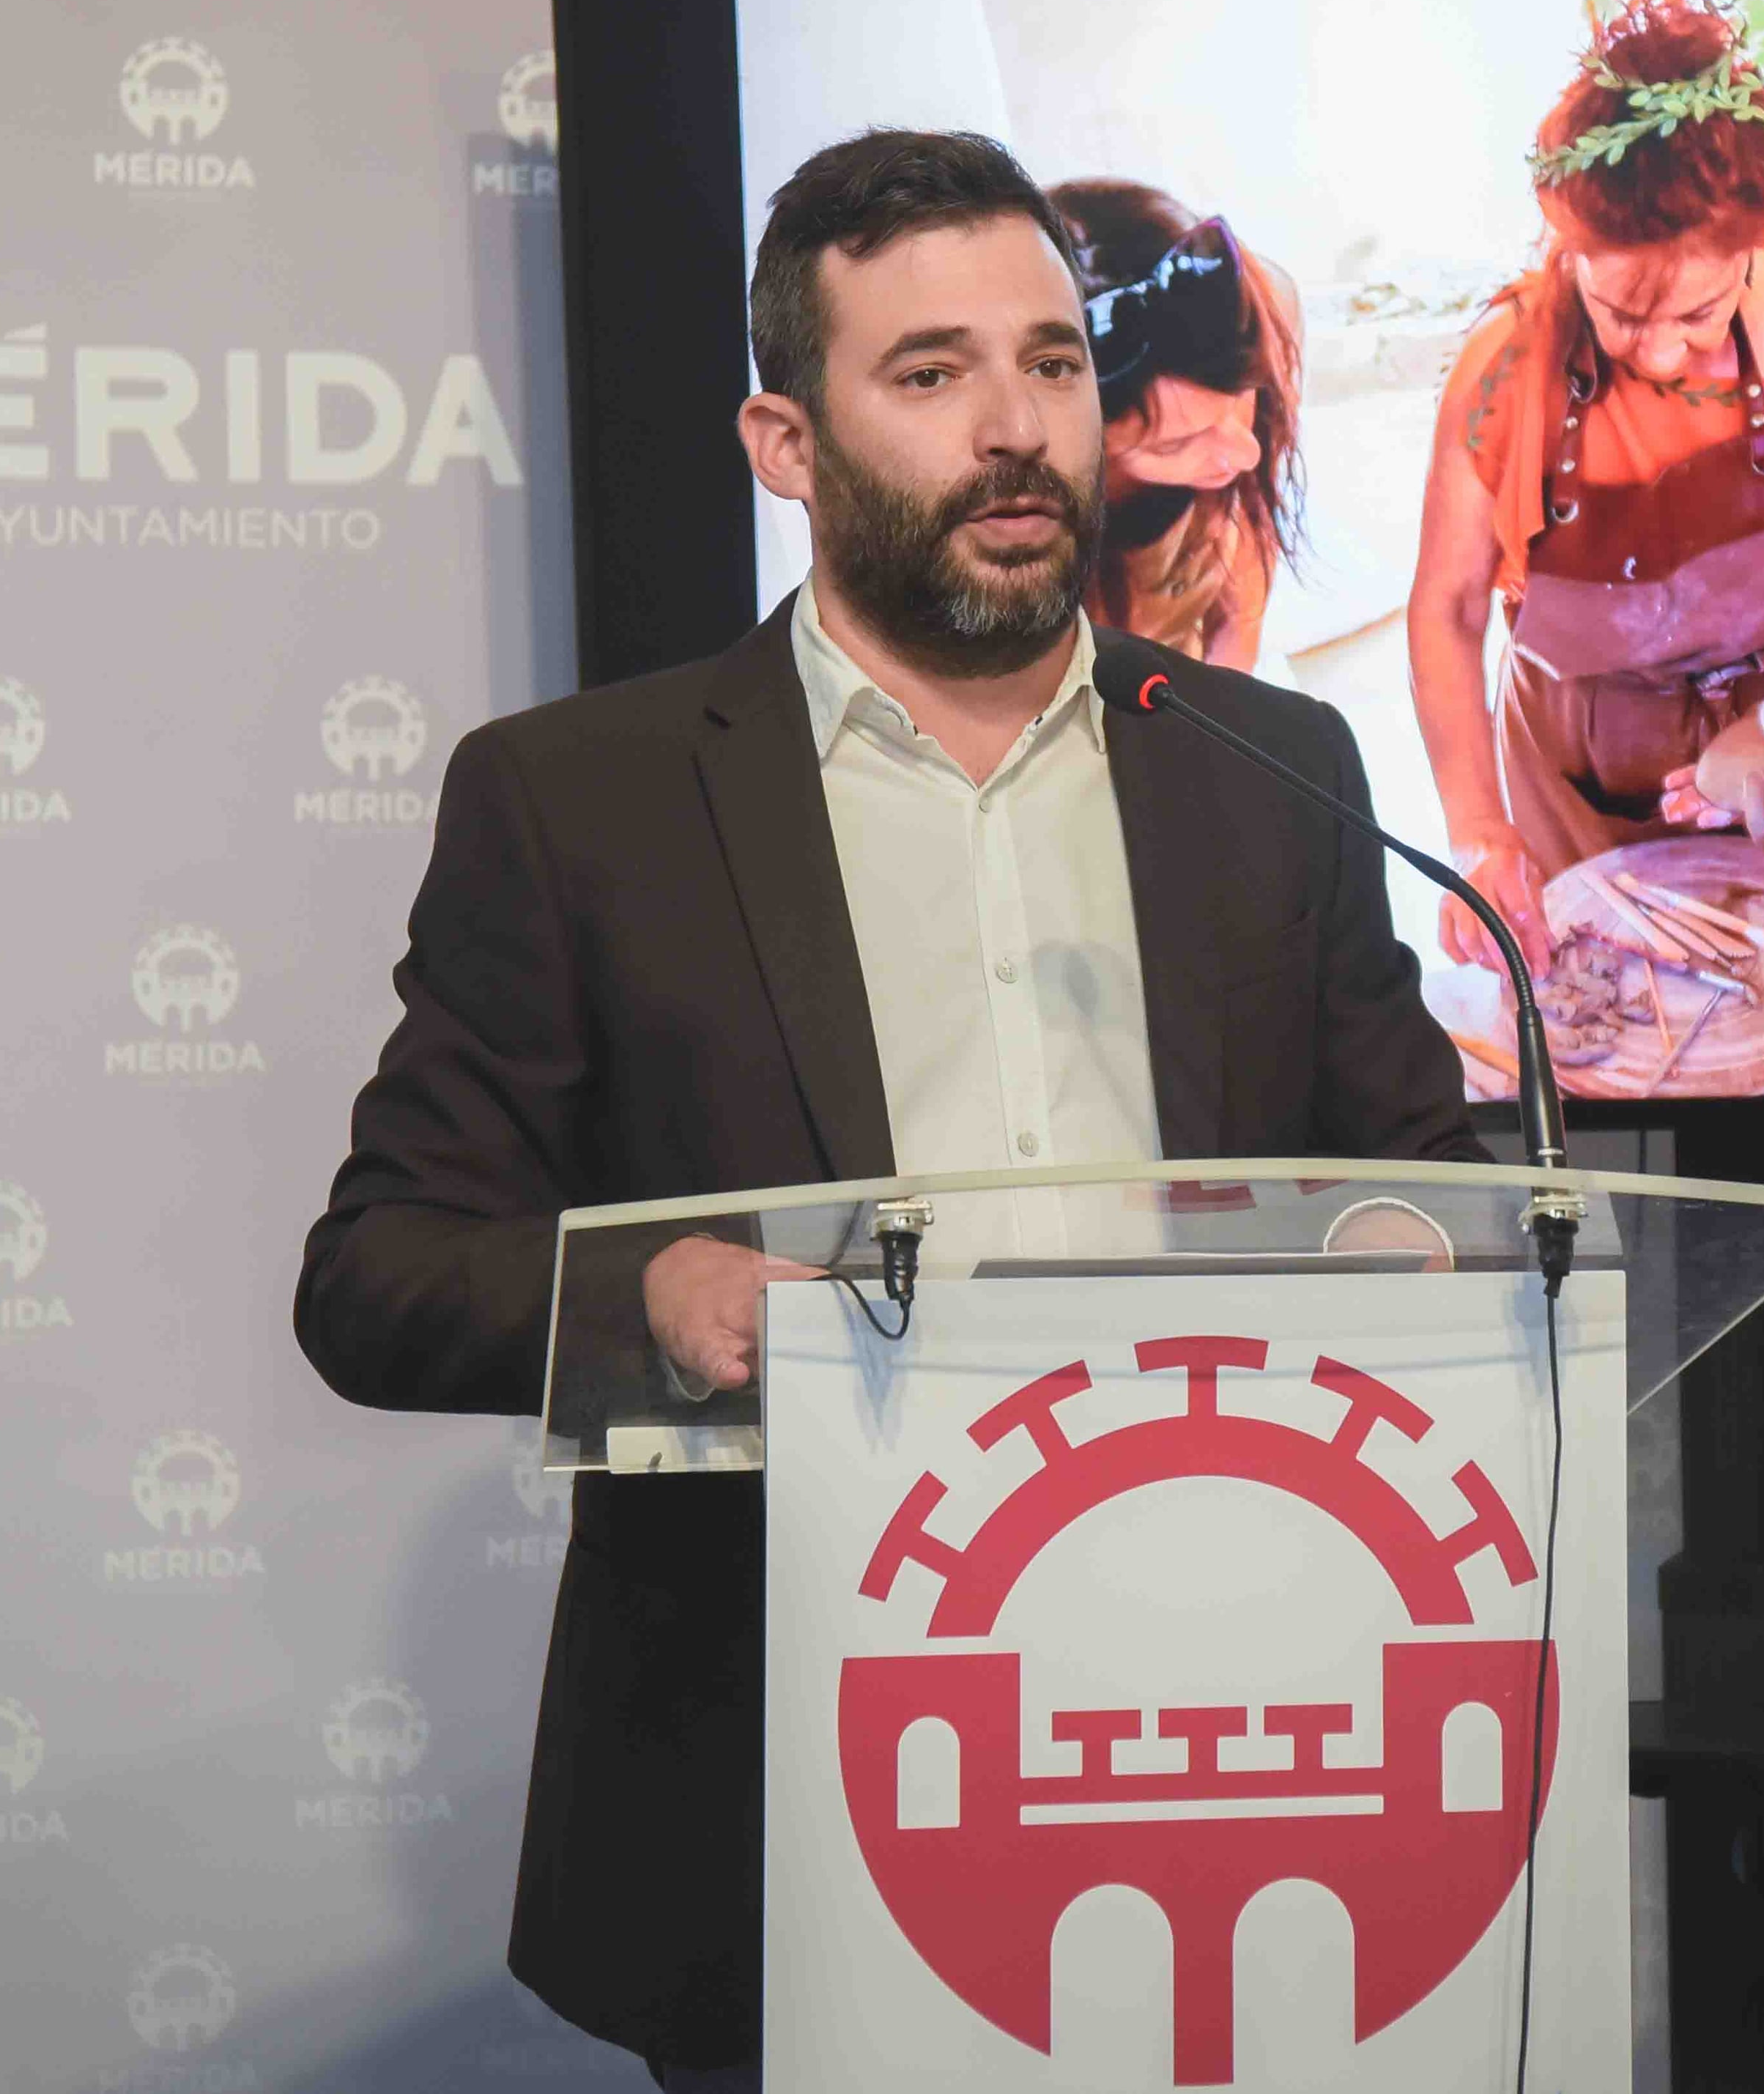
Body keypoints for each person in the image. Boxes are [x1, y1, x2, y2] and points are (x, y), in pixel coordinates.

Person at [292, 129, 1483, 2088]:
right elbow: (381, 1272)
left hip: (1242, 1767)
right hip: (787, 1779)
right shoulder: (579, 799)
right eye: (930, 375)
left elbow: (1418, 1186)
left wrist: (1380, 1254)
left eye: (1050, 363)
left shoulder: (1269, 766)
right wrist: (653, 1296)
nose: (1016, 428)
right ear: (787, 441)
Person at [1404, 0, 1764, 976]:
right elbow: (1449, 607)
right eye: (1623, 313)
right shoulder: (1507, 366)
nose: (1665, 355)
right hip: (1572, 771)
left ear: (1757, 251)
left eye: (1699, 313)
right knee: (1603, 1027)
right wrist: (1476, 827)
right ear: (1572, 247)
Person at [1049, 179, 1305, 670]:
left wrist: (1216, 731)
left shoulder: (1260, 316)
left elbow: (1240, 616)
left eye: (1240, 399)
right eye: (1175, 446)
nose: (1244, 451)